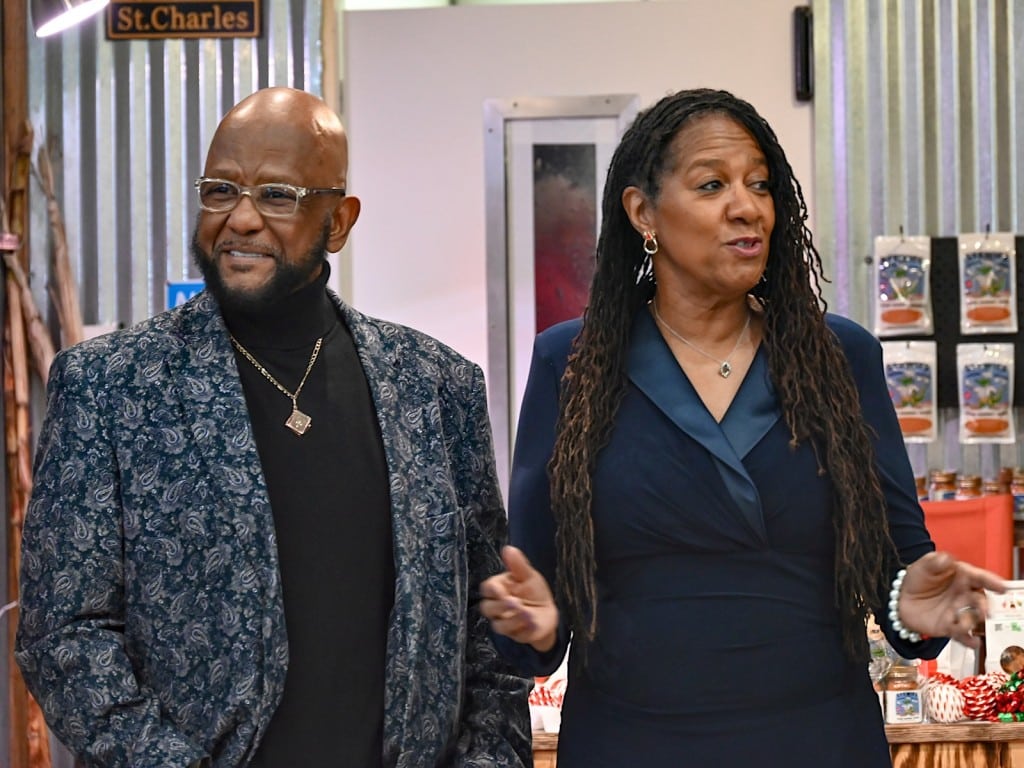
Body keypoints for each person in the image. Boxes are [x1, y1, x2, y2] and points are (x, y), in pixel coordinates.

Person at [480, 88, 1006, 767]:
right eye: (712, 185)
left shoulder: (837, 358)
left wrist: (914, 607)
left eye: (760, 184)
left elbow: (897, 574)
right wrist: (534, 625)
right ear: (643, 212)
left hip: (816, 742)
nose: (747, 206)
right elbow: (537, 597)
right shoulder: (572, 364)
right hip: (632, 743)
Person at [15, 87, 531, 767]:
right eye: (220, 190)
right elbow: (64, 634)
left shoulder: (435, 388)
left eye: (277, 196)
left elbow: (487, 629)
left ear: (339, 222)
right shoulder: (111, 385)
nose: (241, 218)